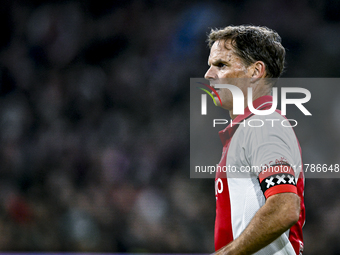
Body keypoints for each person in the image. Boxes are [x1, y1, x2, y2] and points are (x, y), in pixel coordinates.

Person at [204, 25, 305, 255]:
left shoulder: (263, 124)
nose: (208, 75)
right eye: (210, 65)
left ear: (256, 71)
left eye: (221, 65)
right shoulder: (250, 128)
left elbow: (285, 207)